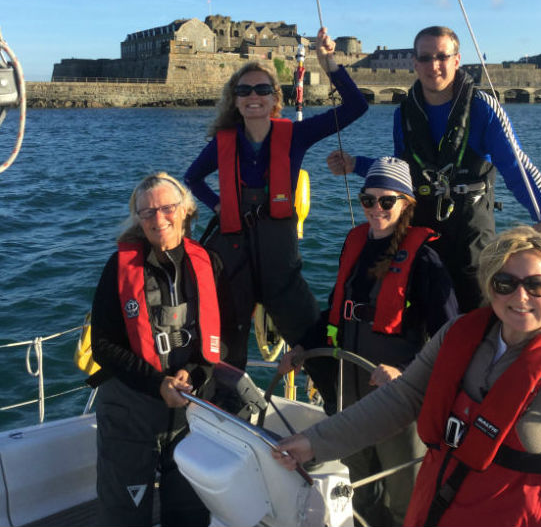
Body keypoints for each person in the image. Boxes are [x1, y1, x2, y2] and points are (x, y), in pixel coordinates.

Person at [273, 226, 541, 527]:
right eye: (505, 283)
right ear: (489, 287)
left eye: (537, 285)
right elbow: (401, 398)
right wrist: (314, 442)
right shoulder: (458, 336)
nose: (521, 297)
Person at [327, 26, 541, 312]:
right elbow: (403, 172)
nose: (433, 65)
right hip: (421, 230)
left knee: (474, 315)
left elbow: (517, 168)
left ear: (457, 60)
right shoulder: (404, 114)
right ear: (414, 63)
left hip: (471, 233)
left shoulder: (482, 108)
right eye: (425, 58)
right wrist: (355, 165)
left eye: (441, 56)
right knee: (421, 313)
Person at [278, 156, 458, 526]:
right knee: (360, 483)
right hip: (351, 392)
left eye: (387, 201)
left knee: (402, 491)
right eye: (368, 200)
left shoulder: (425, 260)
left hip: (398, 398)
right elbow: (334, 314)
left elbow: (450, 337)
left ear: (406, 203)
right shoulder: (355, 245)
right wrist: (300, 348)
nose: (376, 208)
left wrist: (405, 372)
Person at [184, 27, 368, 368]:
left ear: (274, 98)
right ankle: (224, 410)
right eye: (244, 90)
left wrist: (329, 63)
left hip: (279, 257)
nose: (253, 96)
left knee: (312, 338)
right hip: (232, 255)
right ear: (235, 100)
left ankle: (336, 408)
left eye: (262, 89)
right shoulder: (223, 143)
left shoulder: (297, 135)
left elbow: (356, 106)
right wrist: (217, 204)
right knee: (224, 345)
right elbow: (192, 178)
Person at [91, 172, 232, 527]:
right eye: (147, 212)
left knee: (189, 512)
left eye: (167, 208)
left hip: (191, 410)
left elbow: (223, 334)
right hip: (130, 410)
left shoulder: (209, 264)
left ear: (185, 210)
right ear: (137, 218)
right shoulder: (118, 269)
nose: (158, 219)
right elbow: (103, 346)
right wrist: (157, 383)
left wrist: (197, 372)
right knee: (124, 514)